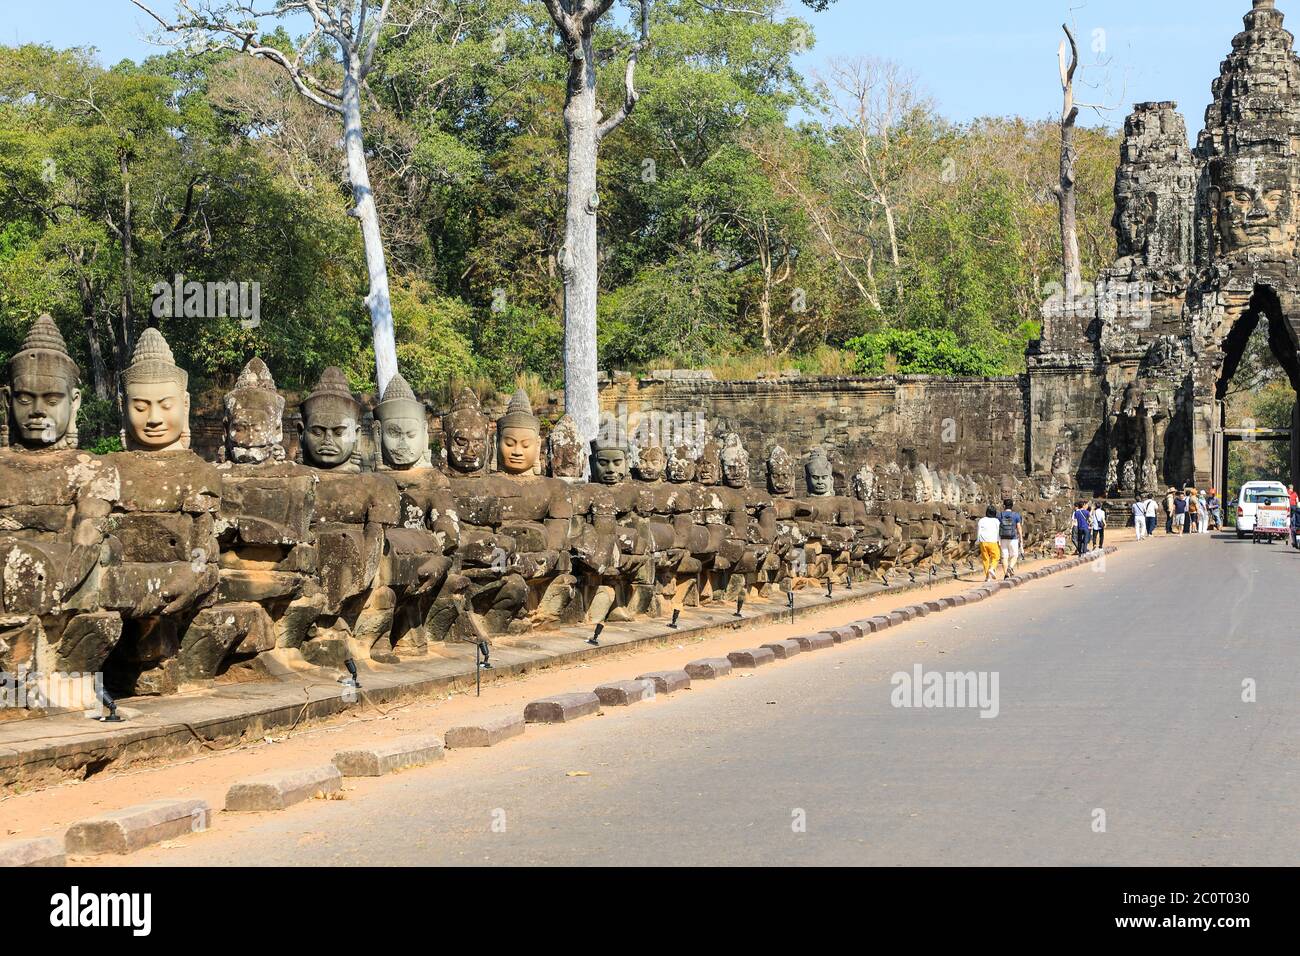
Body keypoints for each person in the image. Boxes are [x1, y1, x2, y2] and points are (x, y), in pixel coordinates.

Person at [996, 498, 1023, 578]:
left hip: (1003, 538)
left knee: (1004, 556)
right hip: (1013, 538)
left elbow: (998, 526)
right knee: (1015, 555)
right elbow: (1019, 527)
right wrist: (1021, 538)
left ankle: (1006, 574)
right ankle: (1010, 568)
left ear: (1004, 506)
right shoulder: (1016, 515)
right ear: (1012, 506)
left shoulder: (1000, 515)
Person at [977, 505, 1002, 581]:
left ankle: (987, 576)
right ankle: (992, 568)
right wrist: (999, 541)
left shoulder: (981, 520)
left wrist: (978, 540)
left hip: (983, 541)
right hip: (993, 541)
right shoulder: (996, 521)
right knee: (996, 556)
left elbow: (979, 531)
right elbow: (998, 531)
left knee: (985, 559)